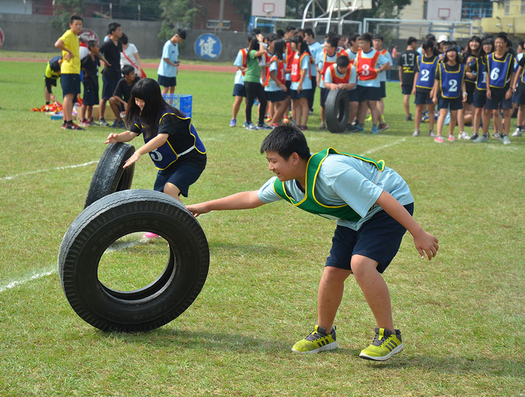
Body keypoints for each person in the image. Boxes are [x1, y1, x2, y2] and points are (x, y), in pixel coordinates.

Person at [186, 125, 439, 361]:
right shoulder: (289, 184)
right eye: (269, 161)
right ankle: (324, 334)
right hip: (353, 215)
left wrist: (418, 232)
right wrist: (205, 207)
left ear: (294, 158)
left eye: (274, 161)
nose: (270, 167)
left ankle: (389, 335)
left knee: (360, 264)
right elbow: (252, 197)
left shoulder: (332, 172)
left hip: (390, 204)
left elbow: (382, 197)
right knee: (333, 273)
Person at [104, 78, 206, 205]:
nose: (139, 104)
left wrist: (139, 152)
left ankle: (187, 222)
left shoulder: (167, 115)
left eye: (142, 101)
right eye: (136, 100)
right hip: (169, 162)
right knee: (157, 199)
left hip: (191, 159)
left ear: (153, 99)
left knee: (169, 190)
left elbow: (161, 138)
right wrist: (117, 137)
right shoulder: (143, 114)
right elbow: (131, 133)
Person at [354, 33, 390, 134]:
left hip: (373, 84)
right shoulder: (359, 53)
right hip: (361, 82)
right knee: (362, 105)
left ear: (368, 43)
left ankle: (374, 126)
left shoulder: (376, 54)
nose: (360, 45)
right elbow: (355, 64)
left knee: (373, 105)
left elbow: (386, 63)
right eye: (359, 43)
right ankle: (360, 125)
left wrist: (380, 70)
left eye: (362, 43)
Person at [54, 15, 84, 130]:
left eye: (80, 24)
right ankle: (68, 121)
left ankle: (67, 122)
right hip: (69, 69)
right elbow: (58, 44)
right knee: (69, 95)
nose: (78, 26)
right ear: (70, 25)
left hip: (74, 69)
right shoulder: (69, 34)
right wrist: (69, 52)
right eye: (76, 24)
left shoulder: (76, 36)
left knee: (71, 96)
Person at [432, 46, 466, 143]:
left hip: (456, 94)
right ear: (446, 54)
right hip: (444, 94)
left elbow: (463, 81)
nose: (451, 54)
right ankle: (438, 135)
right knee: (442, 114)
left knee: (454, 115)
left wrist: (464, 92)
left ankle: (450, 134)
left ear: (457, 53)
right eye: (449, 52)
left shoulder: (461, 67)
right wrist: (434, 96)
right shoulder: (441, 66)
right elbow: (437, 82)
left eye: (453, 52)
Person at [485, 33, 515, 145]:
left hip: (505, 88)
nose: (498, 44)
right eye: (496, 42)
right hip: (492, 89)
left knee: (506, 112)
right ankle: (484, 134)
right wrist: (487, 88)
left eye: (501, 42)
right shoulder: (489, 57)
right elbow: (487, 73)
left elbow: (513, 74)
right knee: (488, 111)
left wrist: (510, 89)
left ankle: (506, 135)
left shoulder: (510, 57)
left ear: (505, 44)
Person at [317, 36, 348, 130]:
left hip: (336, 83)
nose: (326, 48)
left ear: (334, 48)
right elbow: (318, 67)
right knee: (323, 104)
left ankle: (334, 121)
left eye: (328, 46)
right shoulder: (322, 55)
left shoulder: (339, 56)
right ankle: (323, 122)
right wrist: (319, 79)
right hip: (325, 83)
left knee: (335, 103)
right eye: (325, 46)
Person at [411, 40, 439, 137]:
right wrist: (414, 86)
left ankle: (431, 130)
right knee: (419, 109)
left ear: (429, 49)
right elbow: (417, 73)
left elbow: (437, 77)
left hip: (431, 88)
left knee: (431, 109)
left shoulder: (437, 60)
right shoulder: (419, 58)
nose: (422, 50)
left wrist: (434, 90)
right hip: (420, 87)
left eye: (423, 48)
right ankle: (416, 130)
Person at [98, 22, 123, 126]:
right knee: (105, 96)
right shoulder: (108, 43)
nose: (121, 32)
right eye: (119, 30)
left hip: (117, 73)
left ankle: (117, 118)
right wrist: (104, 61)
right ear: (113, 32)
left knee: (116, 96)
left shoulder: (119, 43)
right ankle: (101, 118)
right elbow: (98, 51)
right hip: (108, 74)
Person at [324, 55, 358, 131]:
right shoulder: (330, 69)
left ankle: (348, 124)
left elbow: (352, 85)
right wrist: (331, 85)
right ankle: (331, 123)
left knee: (355, 104)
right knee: (327, 104)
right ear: (337, 65)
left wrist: (345, 85)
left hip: (349, 89)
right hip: (333, 90)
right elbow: (326, 84)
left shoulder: (352, 69)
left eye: (345, 67)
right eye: (341, 68)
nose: (343, 70)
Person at [243, 35, 269, 130]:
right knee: (250, 102)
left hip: (256, 81)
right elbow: (263, 51)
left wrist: (267, 64)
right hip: (250, 80)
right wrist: (261, 41)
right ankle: (248, 122)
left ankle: (261, 123)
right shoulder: (252, 52)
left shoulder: (258, 56)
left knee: (263, 101)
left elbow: (261, 65)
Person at [472, 38, 495, 143]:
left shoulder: (495, 59)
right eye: (485, 44)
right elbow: (469, 70)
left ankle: (485, 132)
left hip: (491, 89)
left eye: (489, 44)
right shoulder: (478, 60)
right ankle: (475, 132)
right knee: (477, 111)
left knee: (487, 112)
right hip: (479, 88)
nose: (487, 46)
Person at [459, 36, 481, 139]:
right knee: (462, 108)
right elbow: (460, 70)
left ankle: (475, 127)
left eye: (476, 42)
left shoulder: (482, 56)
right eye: (472, 42)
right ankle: (461, 131)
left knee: (475, 109)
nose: (474, 44)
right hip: (465, 85)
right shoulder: (464, 56)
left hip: (477, 85)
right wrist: (467, 68)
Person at [289, 35, 313, 130]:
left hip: (303, 84)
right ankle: (297, 123)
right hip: (294, 83)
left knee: (303, 102)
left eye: (293, 43)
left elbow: (304, 70)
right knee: (296, 103)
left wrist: (300, 84)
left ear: (299, 44)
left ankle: (304, 124)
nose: (291, 45)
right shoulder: (296, 54)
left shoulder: (305, 55)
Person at [264, 39, 289, 127]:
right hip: (273, 87)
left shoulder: (280, 59)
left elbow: (283, 71)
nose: (285, 49)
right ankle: (273, 122)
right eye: (284, 47)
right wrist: (281, 84)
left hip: (276, 87)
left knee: (283, 103)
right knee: (284, 103)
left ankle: (276, 121)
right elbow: (271, 72)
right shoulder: (275, 59)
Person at [372, 34, 392, 131]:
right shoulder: (369, 52)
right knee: (371, 99)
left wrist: (381, 68)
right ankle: (373, 115)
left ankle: (381, 116)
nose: (377, 42)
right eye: (375, 40)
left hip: (380, 79)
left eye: (379, 41)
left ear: (382, 42)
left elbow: (390, 65)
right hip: (370, 79)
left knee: (379, 98)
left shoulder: (385, 53)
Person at [157, 29, 186, 94]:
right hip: (165, 71)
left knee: (172, 88)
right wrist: (173, 64)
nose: (180, 42)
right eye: (180, 40)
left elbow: (175, 57)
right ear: (176, 36)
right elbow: (165, 58)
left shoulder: (176, 45)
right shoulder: (168, 45)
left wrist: (176, 67)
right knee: (166, 88)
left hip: (172, 71)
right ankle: (160, 103)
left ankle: (170, 103)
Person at [79, 40, 100, 127]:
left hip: (94, 81)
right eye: (96, 46)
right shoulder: (87, 57)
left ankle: (89, 118)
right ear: (91, 48)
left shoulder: (96, 57)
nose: (98, 48)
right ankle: (82, 119)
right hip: (88, 82)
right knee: (86, 101)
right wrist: (85, 72)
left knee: (91, 102)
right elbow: (80, 64)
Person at [230, 38, 249, 127]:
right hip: (241, 79)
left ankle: (246, 120)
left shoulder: (257, 53)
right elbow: (238, 64)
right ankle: (233, 119)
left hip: (250, 80)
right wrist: (245, 69)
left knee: (248, 101)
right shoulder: (242, 52)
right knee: (238, 100)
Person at [398, 37, 418, 121]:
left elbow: (400, 69)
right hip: (415, 78)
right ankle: (420, 113)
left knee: (406, 96)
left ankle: (407, 114)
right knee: (418, 96)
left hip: (405, 77)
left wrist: (401, 80)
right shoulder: (417, 54)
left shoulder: (402, 54)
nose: (417, 45)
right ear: (413, 43)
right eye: (416, 43)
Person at [304, 28, 321, 114]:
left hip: (314, 72)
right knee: (305, 91)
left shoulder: (317, 46)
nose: (304, 38)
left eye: (306, 36)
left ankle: (310, 108)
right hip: (306, 72)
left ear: (311, 36)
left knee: (311, 91)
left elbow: (318, 60)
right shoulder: (305, 45)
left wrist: (309, 60)